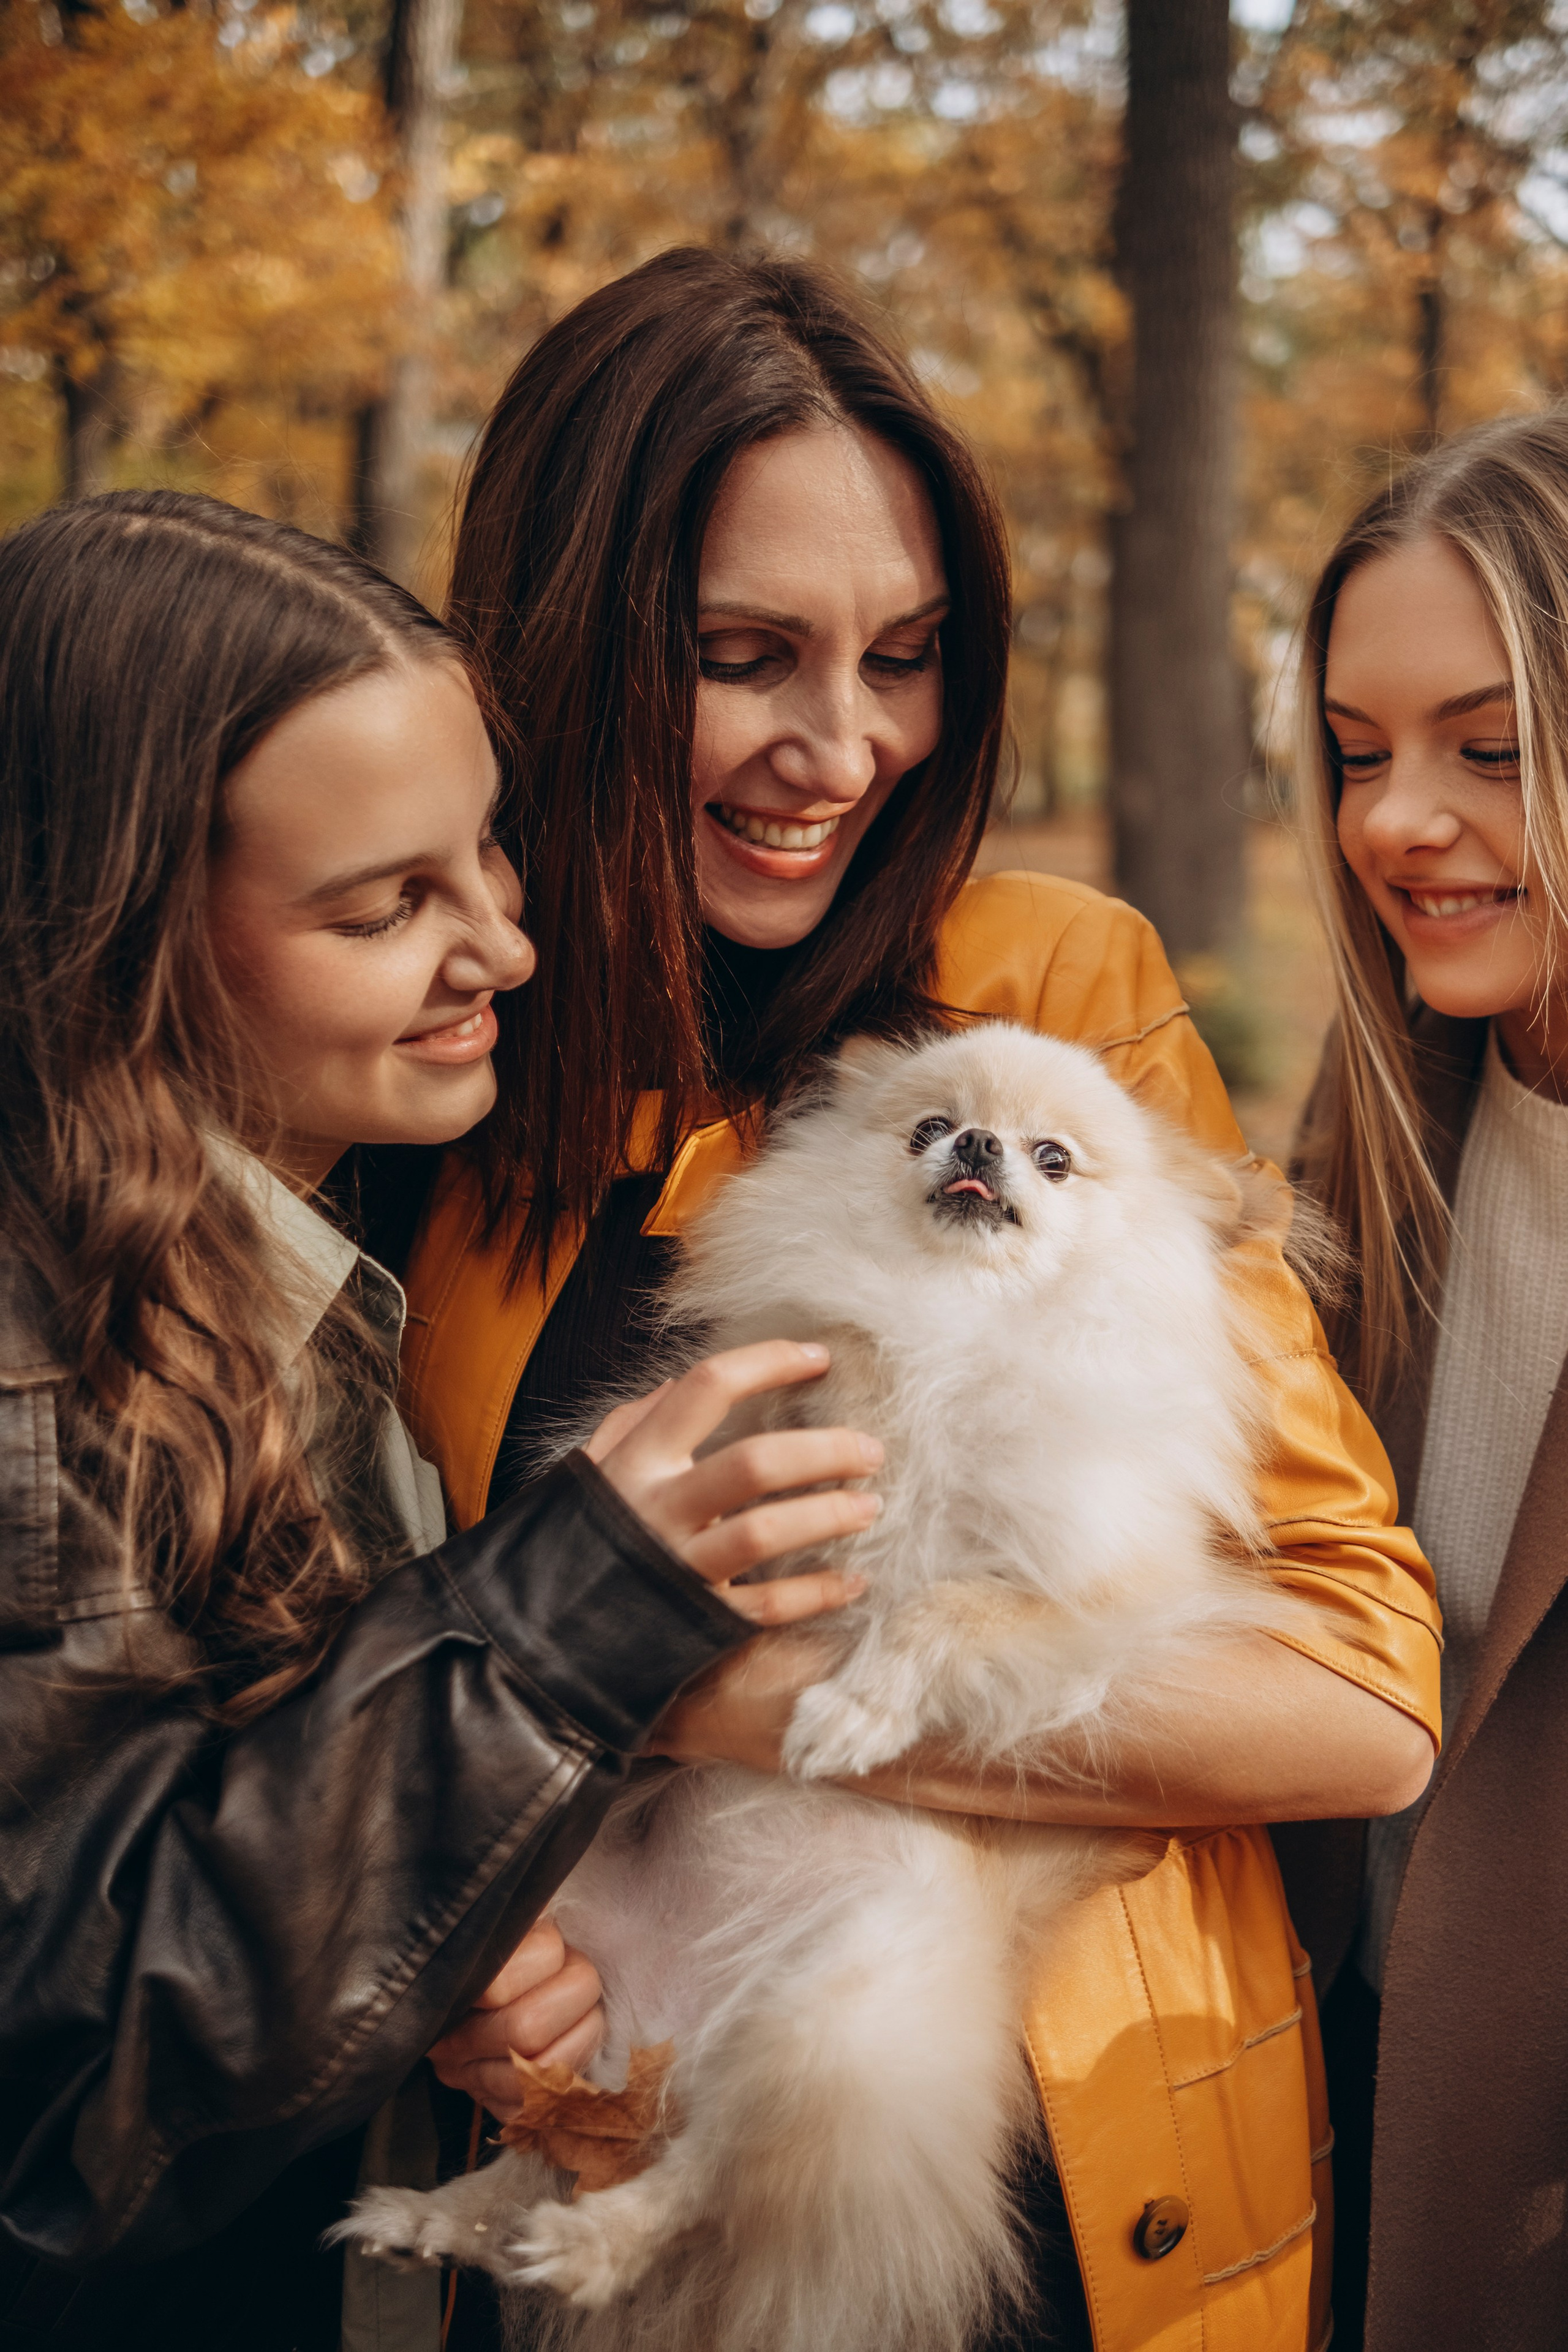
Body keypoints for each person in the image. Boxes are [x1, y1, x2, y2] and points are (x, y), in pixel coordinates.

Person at [389, 246, 1441, 2352]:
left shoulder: (1052, 1003)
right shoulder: (446, 1105)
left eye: (907, 654)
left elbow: (1357, 1689)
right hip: (640, 2206)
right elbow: (363, 1707)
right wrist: (465, 1968)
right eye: (743, 654)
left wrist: (682, 1697)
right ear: (569, 650)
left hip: (1077, 2197)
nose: (841, 745)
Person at [0, 489, 881, 2352]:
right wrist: (564, 1617)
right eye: (387, 905)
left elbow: (251, 1877)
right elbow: (77, 2088)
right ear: (123, 935)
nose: (505, 945)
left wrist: (413, 1963)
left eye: (486, 854)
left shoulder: (308, 1233)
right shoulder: (35, 1369)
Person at [1277, 410, 1568, 2352]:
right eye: (1360, 753)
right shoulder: (1368, 1143)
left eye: (1490, 748)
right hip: (1333, 2129)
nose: (1395, 821)